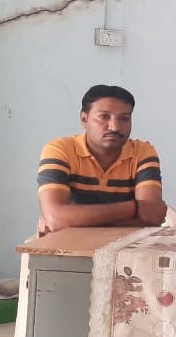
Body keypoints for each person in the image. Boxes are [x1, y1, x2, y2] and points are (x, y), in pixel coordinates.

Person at [35, 85, 168, 235]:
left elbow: (151, 216)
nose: (115, 127)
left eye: (124, 118)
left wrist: (70, 219)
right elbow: (56, 219)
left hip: (124, 246)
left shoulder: (142, 153)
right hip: (67, 246)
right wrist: (135, 208)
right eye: (104, 117)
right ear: (84, 119)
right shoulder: (60, 150)